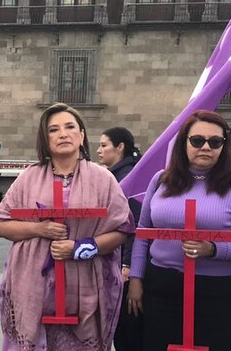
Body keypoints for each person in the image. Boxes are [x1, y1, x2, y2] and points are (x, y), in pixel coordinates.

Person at [127, 110, 231, 351]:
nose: (206, 147)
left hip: (214, 291)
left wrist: (213, 249)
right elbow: (143, 233)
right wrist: (136, 279)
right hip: (162, 285)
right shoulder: (161, 181)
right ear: (184, 143)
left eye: (215, 142)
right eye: (197, 140)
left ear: (225, 146)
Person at [0, 105, 133, 350]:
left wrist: (79, 248)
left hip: (86, 285)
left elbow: (122, 228)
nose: (63, 134)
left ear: (81, 135)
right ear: (45, 139)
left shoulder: (103, 179)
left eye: (70, 127)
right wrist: (40, 230)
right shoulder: (29, 177)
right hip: (33, 286)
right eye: (53, 129)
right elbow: (3, 224)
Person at [96, 126, 143, 351]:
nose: (99, 150)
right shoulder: (116, 175)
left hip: (124, 267)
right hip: (118, 261)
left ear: (120, 147)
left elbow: (135, 224)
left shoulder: (127, 178)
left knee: (126, 331)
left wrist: (128, 264)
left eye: (104, 145)